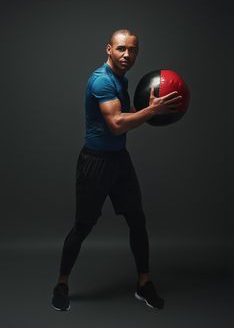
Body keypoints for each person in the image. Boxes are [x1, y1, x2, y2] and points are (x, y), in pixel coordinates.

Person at [51, 29, 182, 311]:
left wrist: (149, 109)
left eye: (132, 50)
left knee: (137, 220)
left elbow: (125, 112)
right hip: (95, 163)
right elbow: (117, 123)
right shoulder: (100, 80)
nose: (127, 55)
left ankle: (143, 284)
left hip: (119, 161)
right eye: (121, 49)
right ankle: (61, 283)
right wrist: (151, 112)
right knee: (83, 226)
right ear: (108, 49)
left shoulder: (121, 80)